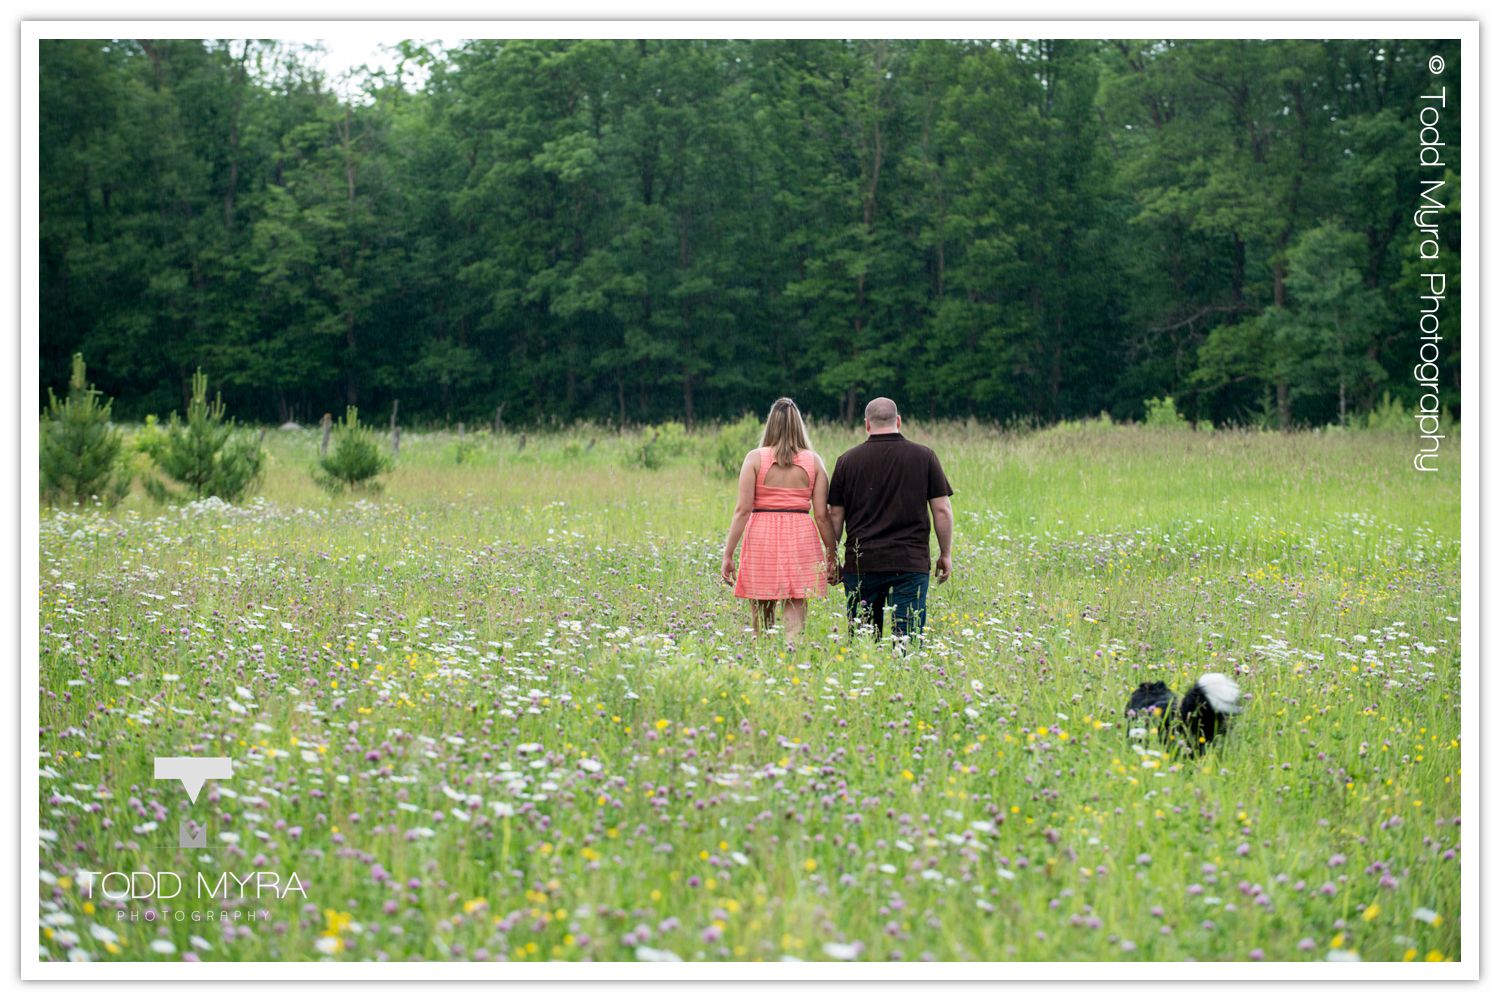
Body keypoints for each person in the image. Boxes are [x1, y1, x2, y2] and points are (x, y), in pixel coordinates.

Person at [826, 397, 953, 641]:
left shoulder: (847, 461)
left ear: (867, 424)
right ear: (899, 421)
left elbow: (835, 514)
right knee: (907, 640)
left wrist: (832, 558)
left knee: (863, 642)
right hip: (910, 562)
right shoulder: (925, 456)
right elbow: (942, 510)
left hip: (862, 564)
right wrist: (945, 554)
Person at [721, 398, 838, 643]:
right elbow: (822, 515)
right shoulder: (814, 462)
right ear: (799, 425)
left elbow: (742, 510)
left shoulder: (754, 459)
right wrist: (832, 556)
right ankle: (792, 653)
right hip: (801, 535)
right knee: (796, 612)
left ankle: (764, 657)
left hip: (762, 535)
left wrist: (728, 554)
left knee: (761, 621)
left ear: (770, 424)